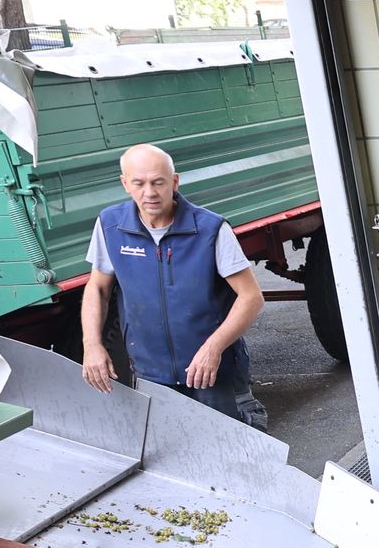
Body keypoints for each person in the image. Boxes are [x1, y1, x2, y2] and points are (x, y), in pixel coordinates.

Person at [80, 143, 265, 424]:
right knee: (171, 459)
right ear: (125, 184)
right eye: (139, 183)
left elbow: (251, 297)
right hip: (151, 372)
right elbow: (98, 288)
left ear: (174, 181)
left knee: (228, 456)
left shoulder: (209, 229)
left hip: (212, 372)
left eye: (158, 182)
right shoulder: (110, 226)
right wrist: (92, 345)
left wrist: (213, 348)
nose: (150, 193)